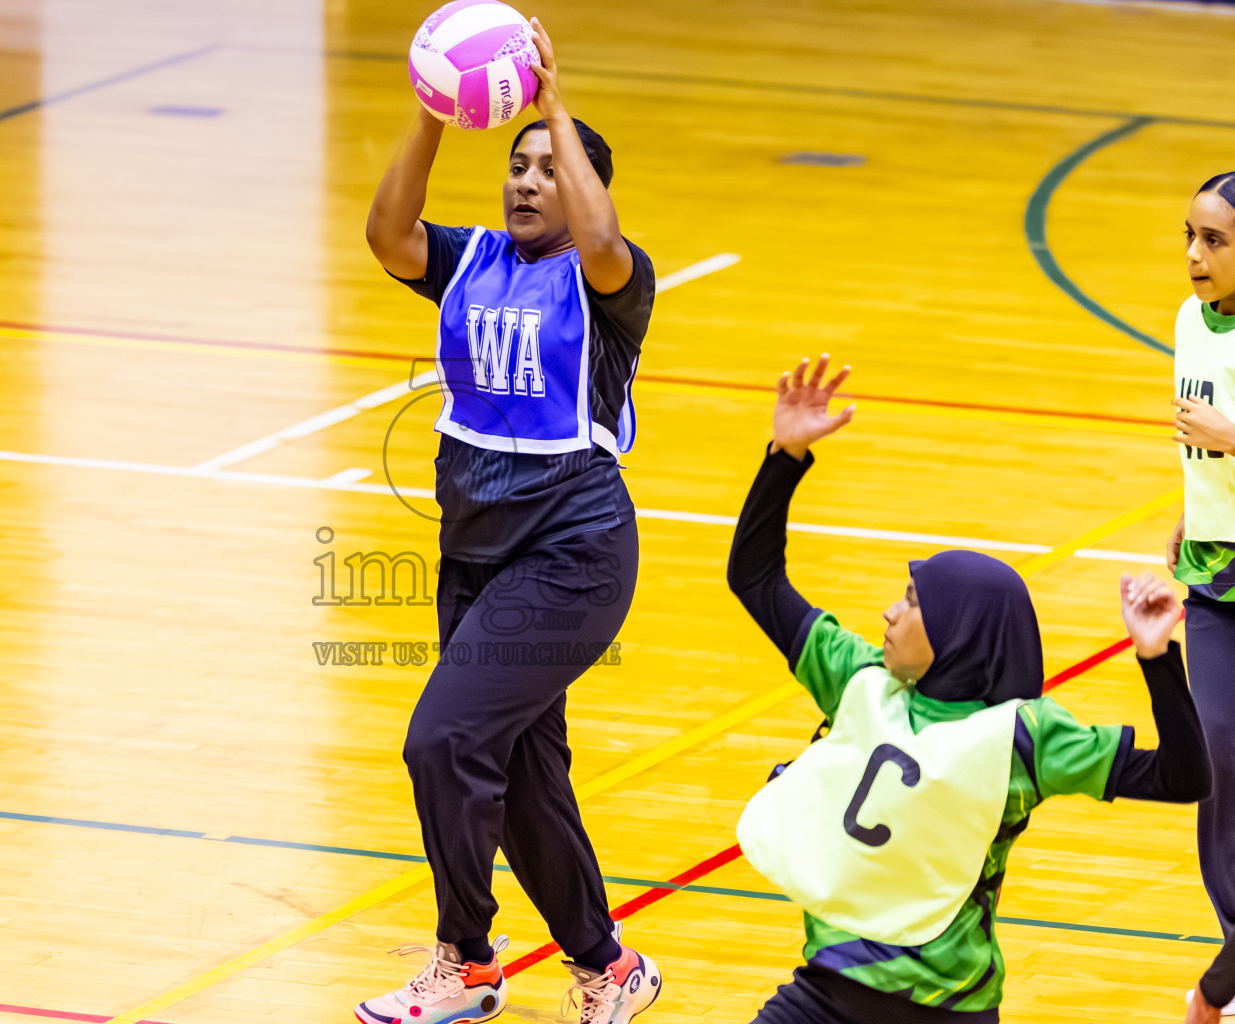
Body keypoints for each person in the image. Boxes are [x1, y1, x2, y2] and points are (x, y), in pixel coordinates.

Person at [728, 356, 1211, 1024]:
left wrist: (1158, 658)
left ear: (959, 633)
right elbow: (754, 579)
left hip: (946, 1011)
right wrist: (784, 455)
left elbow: (1184, 777)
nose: (889, 616)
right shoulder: (860, 677)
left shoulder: (1022, 737)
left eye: (911, 602)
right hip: (823, 997)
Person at [355, 18, 660, 1024]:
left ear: (579, 188)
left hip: (572, 553)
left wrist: (552, 103)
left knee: (442, 742)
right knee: (525, 774)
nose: (527, 182)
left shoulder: (612, 282)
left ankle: (467, 963)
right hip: (473, 554)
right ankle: (608, 968)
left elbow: (605, 235)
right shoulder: (471, 258)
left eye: (547, 169)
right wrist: (438, 112)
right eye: (516, 166)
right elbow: (387, 236)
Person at [1168, 172, 1235, 1022]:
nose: (1193, 254)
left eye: (1214, 240)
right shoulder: (1189, 320)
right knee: (1217, 764)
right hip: (1215, 576)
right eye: (1189, 235)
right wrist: (1192, 513)